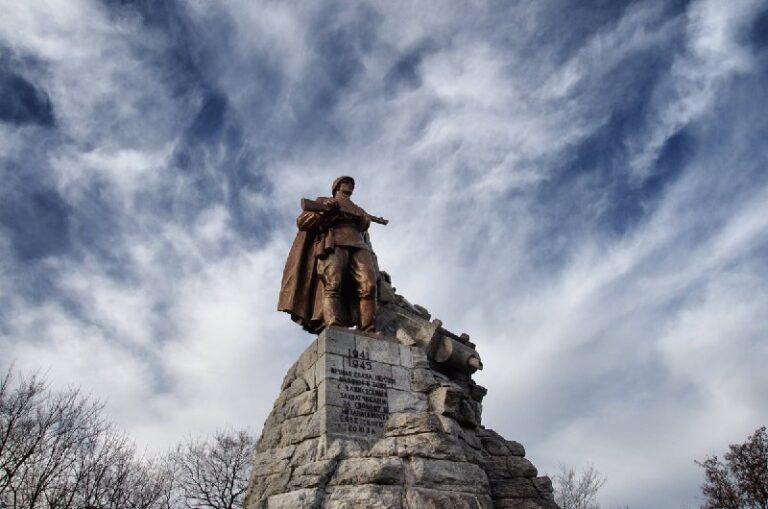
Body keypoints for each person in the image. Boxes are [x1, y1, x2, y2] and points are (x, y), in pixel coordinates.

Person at [278, 176, 380, 333]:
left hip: (359, 245)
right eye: (346, 183)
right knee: (332, 285)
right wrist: (323, 210)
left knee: (369, 286)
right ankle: (333, 324)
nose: (350, 185)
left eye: (352, 184)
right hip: (333, 244)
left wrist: (364, 221)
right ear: (337, 187)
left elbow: (363, 230)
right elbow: (302, 222)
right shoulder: (323, 200)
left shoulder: (358, 208)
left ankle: (368, 328)